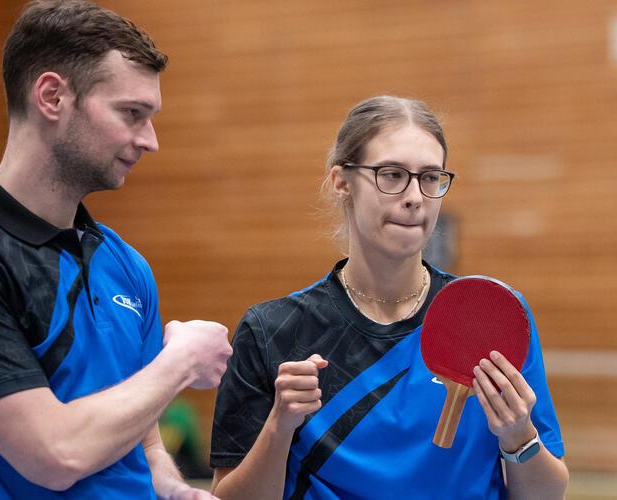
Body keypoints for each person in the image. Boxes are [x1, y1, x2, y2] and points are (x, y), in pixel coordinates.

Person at [0, 1, 232, 498]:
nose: (150, 140)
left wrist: (168, 486)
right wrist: (179, 363)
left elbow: (140, 433)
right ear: (52, 97)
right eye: (131, 113)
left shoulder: (124, 264)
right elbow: (55, 454)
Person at [210, 96, 569, 499]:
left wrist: (518, 437)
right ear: (341, 181)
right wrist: (279, 426)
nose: (415, 196)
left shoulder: (492, 318)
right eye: (392, 174)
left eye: (430, 177)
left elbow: (546, 494)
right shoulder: (270, 331)